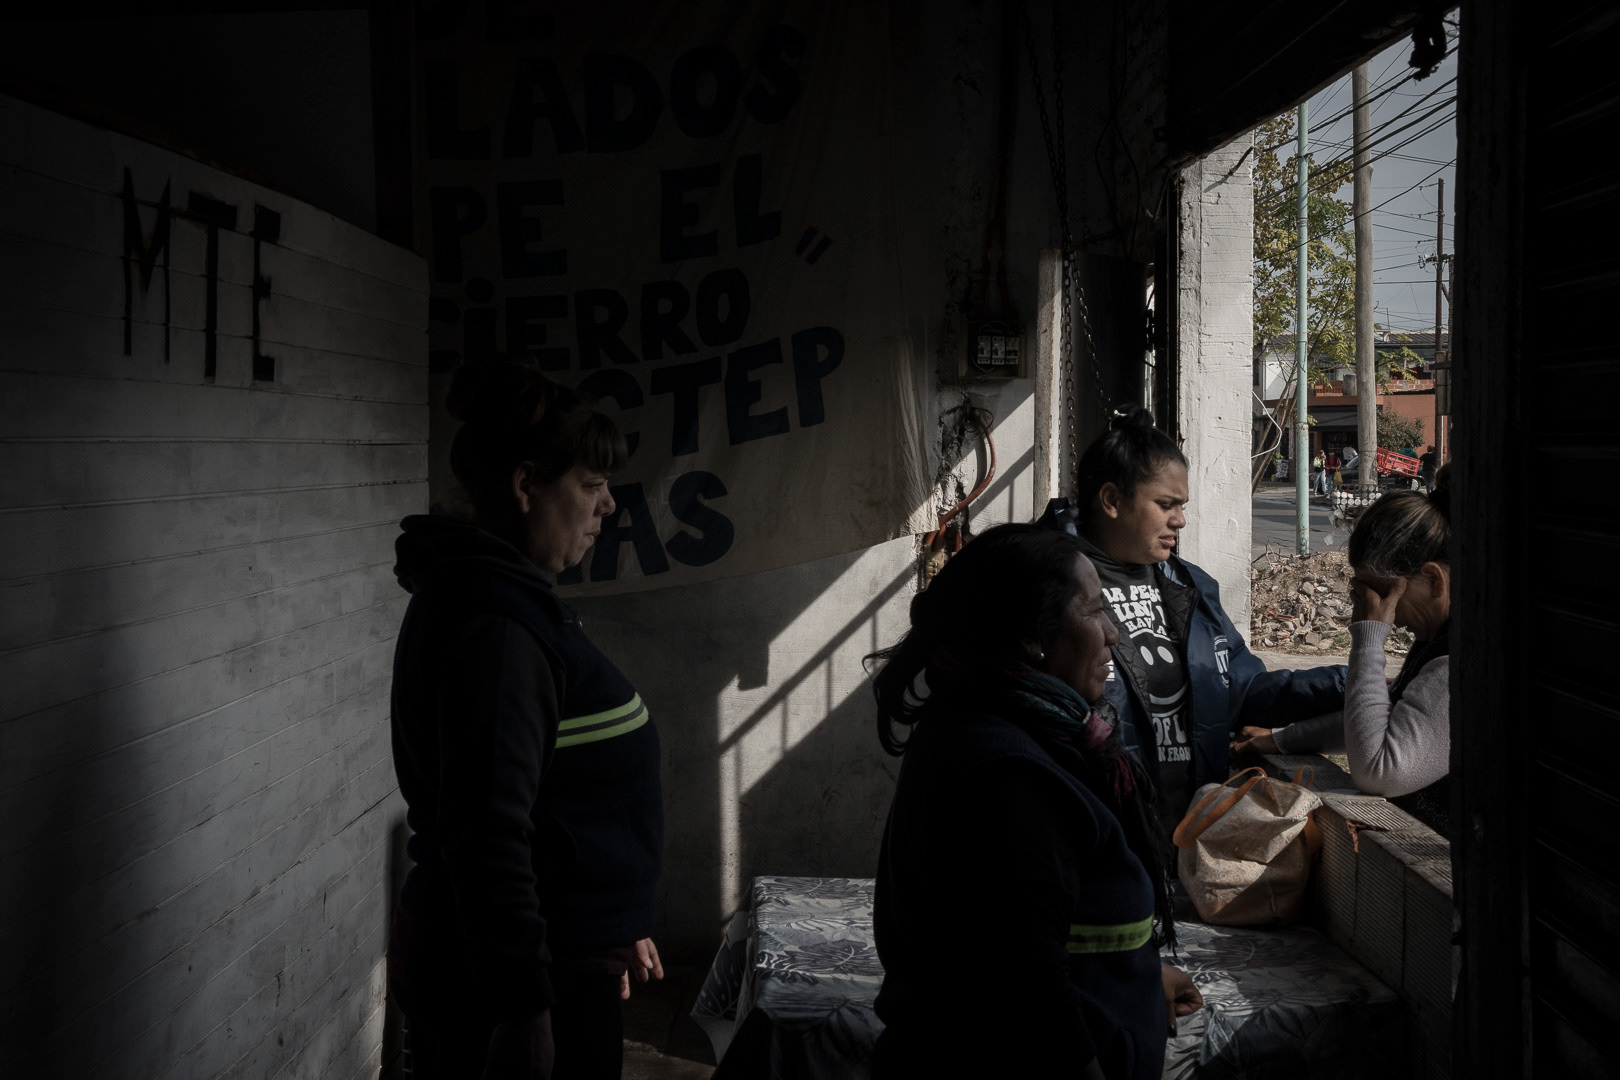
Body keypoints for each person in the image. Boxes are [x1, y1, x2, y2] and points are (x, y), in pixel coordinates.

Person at [386, 360, 664, 1079]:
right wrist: (523, 1009)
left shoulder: (504, 601)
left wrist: (611, 914)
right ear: (525, 485)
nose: (608, 508)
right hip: (524, 978)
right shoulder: (497, 629)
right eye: (592, 486)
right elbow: (488, 831)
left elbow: (556, 791)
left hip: (562, 949)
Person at [869, 524, 1202, 1079]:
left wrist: (1136, 977)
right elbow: (1027, 983)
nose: (1114, 634)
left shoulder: (994, 719)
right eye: (1095, 611)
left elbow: (1045, 926)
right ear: (1033, 636)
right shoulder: (1006, 771)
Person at [1046, 406, 1345, 837]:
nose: (1179, 521)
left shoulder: (1191, 587)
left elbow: (1242, 689)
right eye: (1165, 505)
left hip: (1182, 829)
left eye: (1181, 506)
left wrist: (1346, 684)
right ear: (1112, 500)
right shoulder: (1044, 589)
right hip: (1089, 830)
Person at [1233, 468, 1453, 835]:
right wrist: (1281, 739)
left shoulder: (1458, 663)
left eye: (1385, 598)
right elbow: (1387, 720)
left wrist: (1369, 638)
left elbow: (1378, 768)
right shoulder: (1436, 639)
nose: (1389, 618)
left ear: (1432, 579)